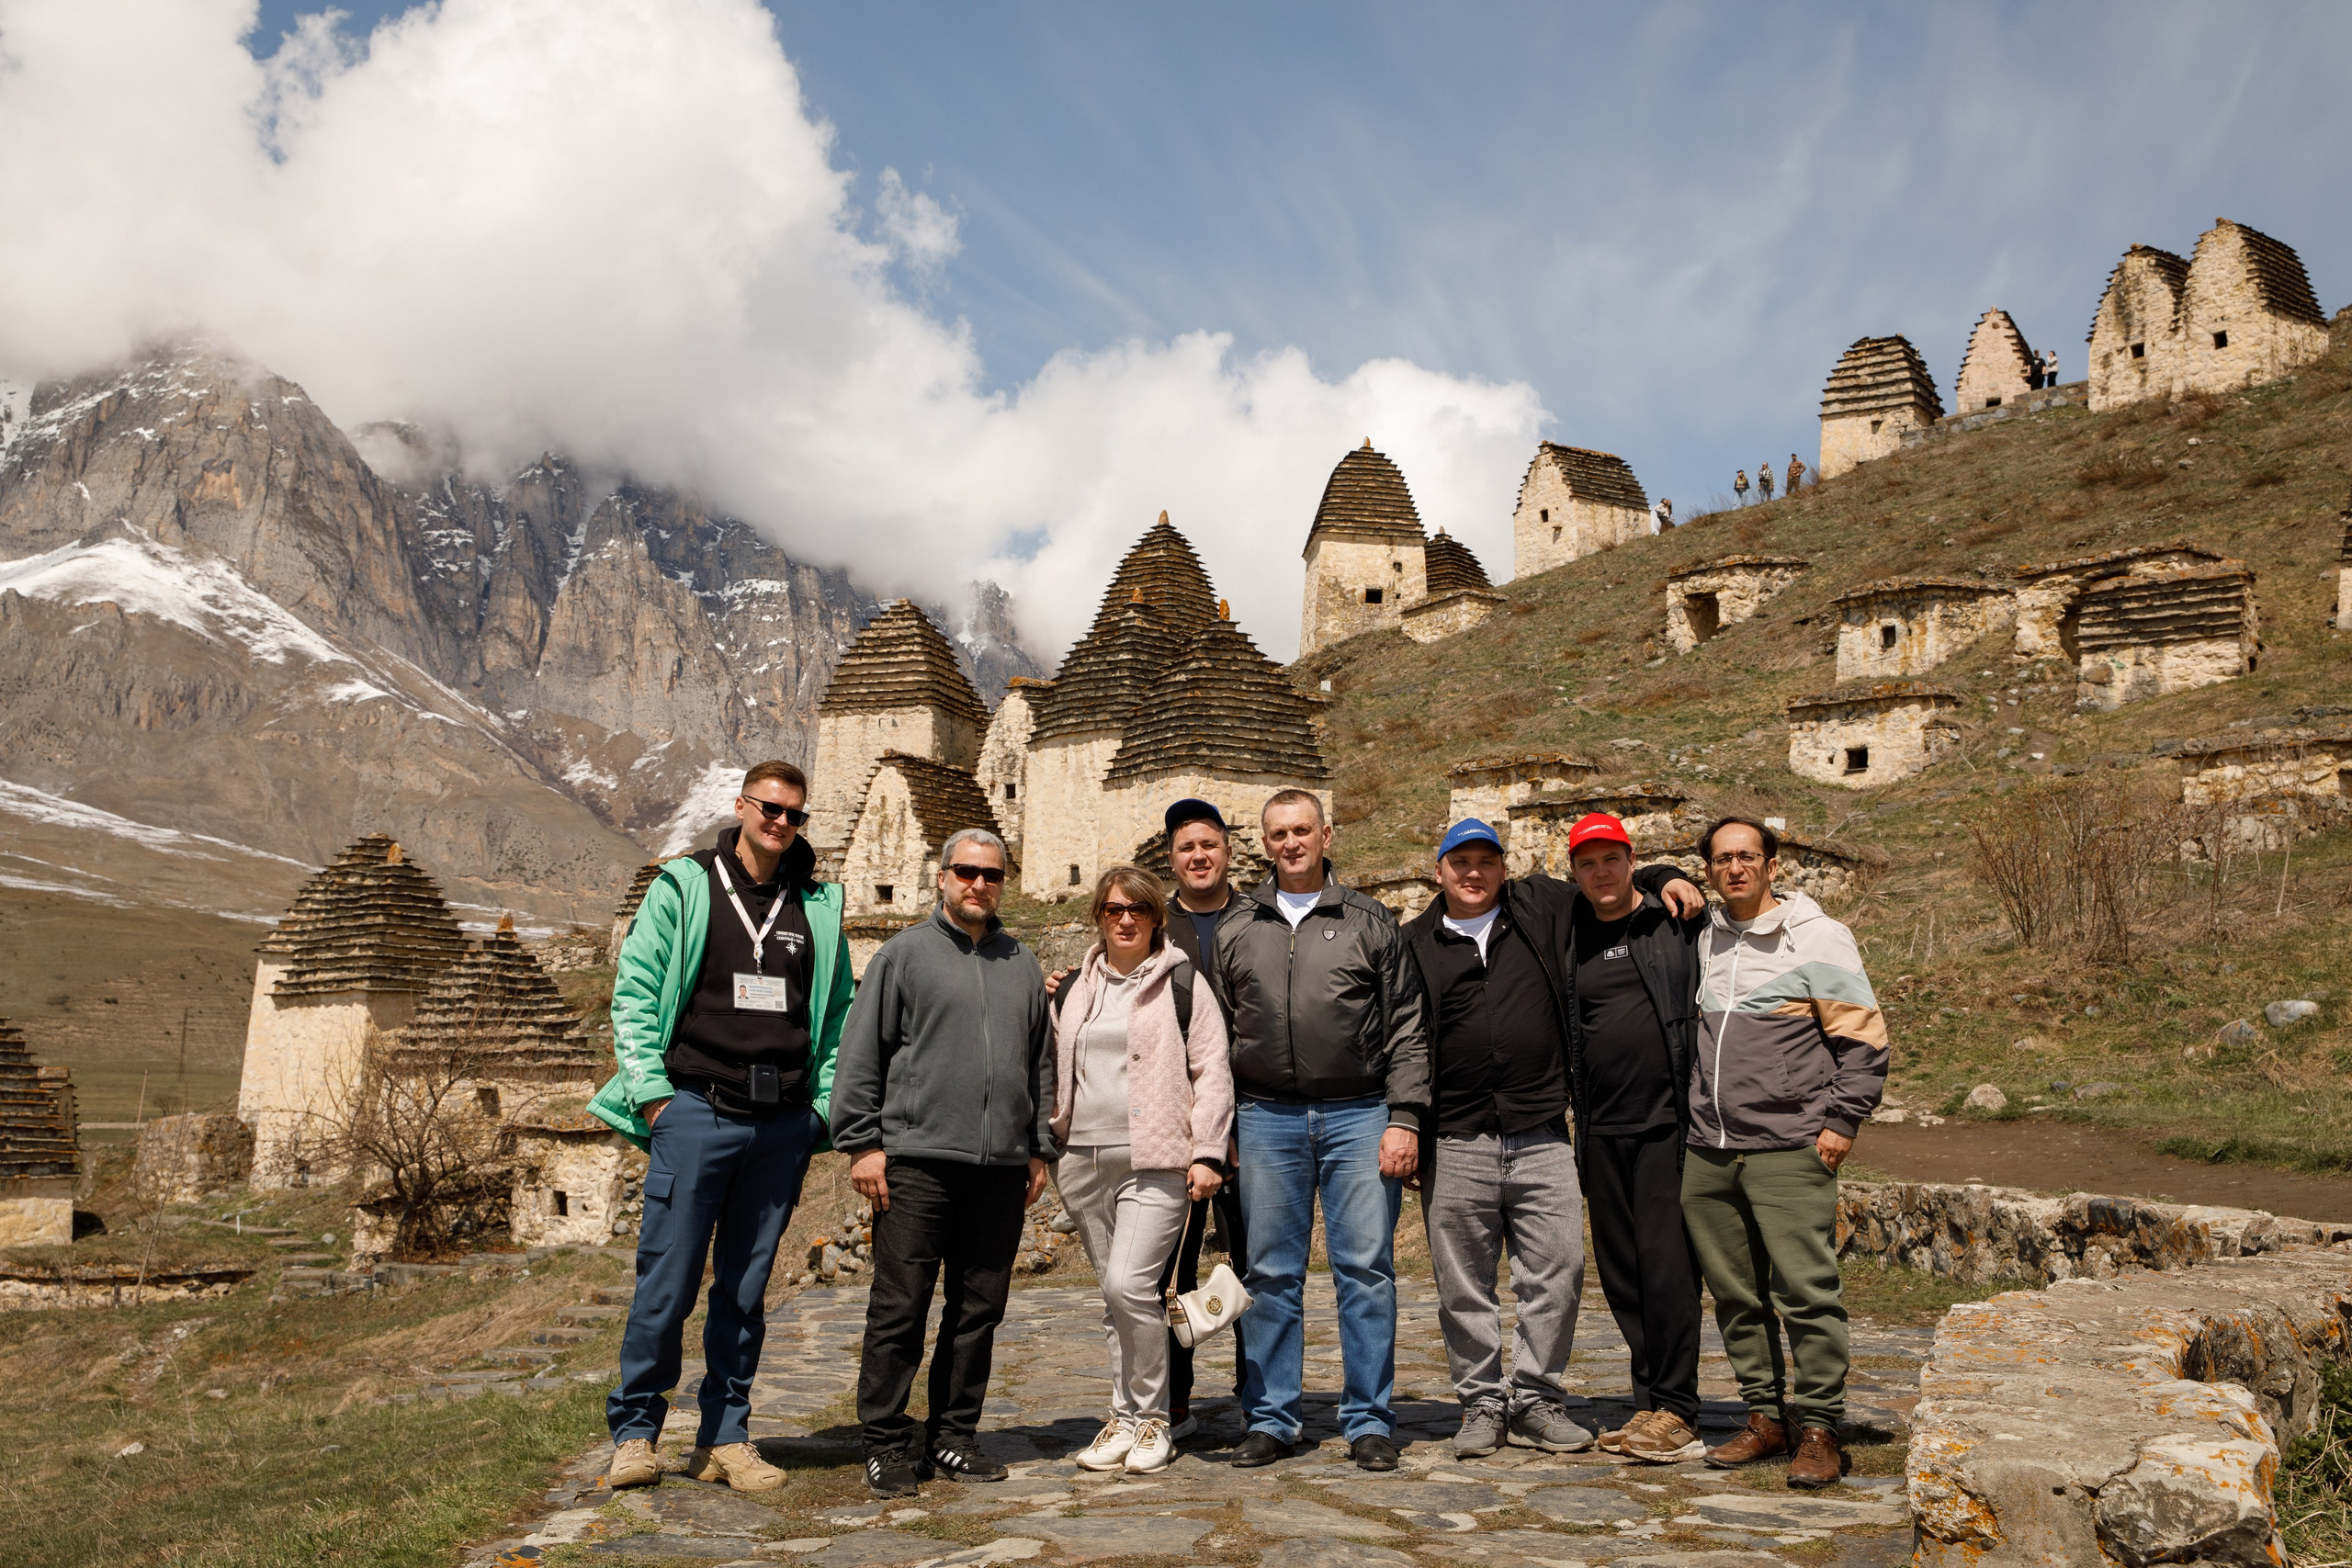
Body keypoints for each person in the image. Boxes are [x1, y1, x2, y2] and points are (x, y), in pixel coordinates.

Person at [1401, 818, 1702, 1461]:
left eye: (1487, 860)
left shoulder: (1539, 909)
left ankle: (1537, 1398)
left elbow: (1611, 880)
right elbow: (1399, 1039)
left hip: (1541, 1130)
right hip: (1454, 1137)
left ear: (1505, 867)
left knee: (1559, 1271)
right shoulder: (1412, 943)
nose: (1474, 873)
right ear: (1439, 871)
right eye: (1461, 863)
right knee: (1464, 1284)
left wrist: (1664, 874)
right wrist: (1404, 1120)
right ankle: (1481, 1401)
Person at [591, 761, 854, 1494]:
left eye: (794, 814)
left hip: (780, 1125)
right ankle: (638, 1433)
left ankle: (724, 1438)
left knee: (744, 1290)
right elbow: (636, 990)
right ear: (741, 805)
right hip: (695, 1109)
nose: (780, 822)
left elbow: (836, 1018)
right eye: (769, 807)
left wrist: (820, 1112)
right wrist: (653, 1098)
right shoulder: (686, 885)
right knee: (667, 1284)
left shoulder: (817, 906)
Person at [831, 828, 1054, 1497]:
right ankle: (885, 1439)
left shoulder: (1021, 963)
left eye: (991, 874)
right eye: (966, 871)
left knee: (978, 1307)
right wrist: (863, 1143)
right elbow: (862, 1053)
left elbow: (1040, 1062)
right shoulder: (903, 956)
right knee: (900, 1306)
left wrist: (1037, 1144)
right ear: (941, 876)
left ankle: (954, 1435)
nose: (978, 883)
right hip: (916, 1161)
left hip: (999, 1167)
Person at [1214, 789, 1430, 1472]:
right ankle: (1273, 1416)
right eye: (1278, 832)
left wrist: (1404, 1118)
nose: (1291, 842)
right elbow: (1214, 1035)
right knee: (1270, 1272)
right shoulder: (1238, 925)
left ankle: (1368, 1419)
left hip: (1359, 1113)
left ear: (1326, 832)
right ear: (1265, 841)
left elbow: (1407, 1025)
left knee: (1365, 1270)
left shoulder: (1369, 919)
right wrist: (1223, 1126)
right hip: (1265, 1115)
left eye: (1302, 829)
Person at [1681, 817, 1889, 1488]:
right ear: (1708, 869)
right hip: (1709, 1148)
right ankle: (1765, 1418)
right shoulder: (1705, 935)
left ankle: (1821, 1426)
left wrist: (1843, 1120)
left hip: (1791, 1143)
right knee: (1735, 1295)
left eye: (1746, 856)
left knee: (1806, 1292)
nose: (1734, 867)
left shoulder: (1820, 936)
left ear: (1773, 863)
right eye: (1721, 859)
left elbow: (1862, 1036)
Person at [1051, 864, 1235, 1476]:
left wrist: (1208, 1151)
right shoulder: (1076, 986)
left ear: (1156, 916)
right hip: (1081, 1159)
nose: (1124, 919)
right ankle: (1122, 1416)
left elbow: (1211, 1069)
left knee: (1132, 1286)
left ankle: (1155, 1415)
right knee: (1114, 1296)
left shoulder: (1183, 982)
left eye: (1137, 908)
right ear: (1098, 917)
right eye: (1111, 909)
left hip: (1155, 1160)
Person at [1560, 814, 1709, 1463]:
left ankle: (1678, 1407)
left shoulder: (1672, 921)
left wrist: (1666, 875)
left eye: (1612, 859)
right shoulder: (1568, 928)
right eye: (1587, 862)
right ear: (1574, 871)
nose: (1601, 872)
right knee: (1622, 1274)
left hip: (1665, 1125)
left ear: (1631, 858)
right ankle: (1651, 1401)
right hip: (1600, 1130)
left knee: (1668, 1269)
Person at [1157, 798, 1251, 1438]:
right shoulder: (1149, 922)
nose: (1198, 855)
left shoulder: (1263, 915)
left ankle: (1262, 1393)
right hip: (1178, 1121)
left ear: (1226, 849)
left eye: (1208, 844)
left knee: (1257, 1262)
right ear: (1172, 855)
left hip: (1260, 1117)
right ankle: (1174, 1400)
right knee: (1172, 1267)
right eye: (1187, 846)